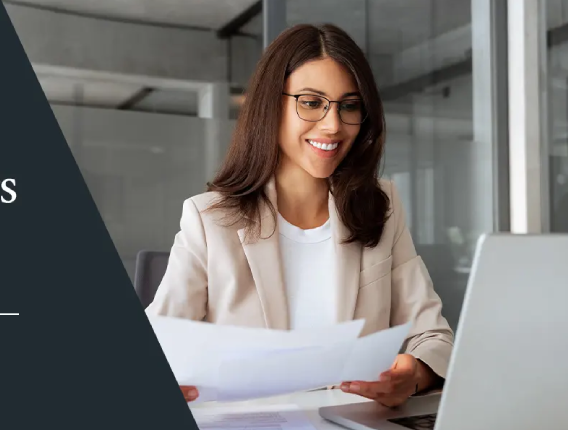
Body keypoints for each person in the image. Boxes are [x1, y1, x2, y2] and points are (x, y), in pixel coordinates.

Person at [146, 23, 455, 408]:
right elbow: (161, 341)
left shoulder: (382, 208)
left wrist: (414, 375)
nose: (333, 125)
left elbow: (433, 338)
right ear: (270, 106)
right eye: (310, 102)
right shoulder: (209, 220)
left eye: (350, 105)